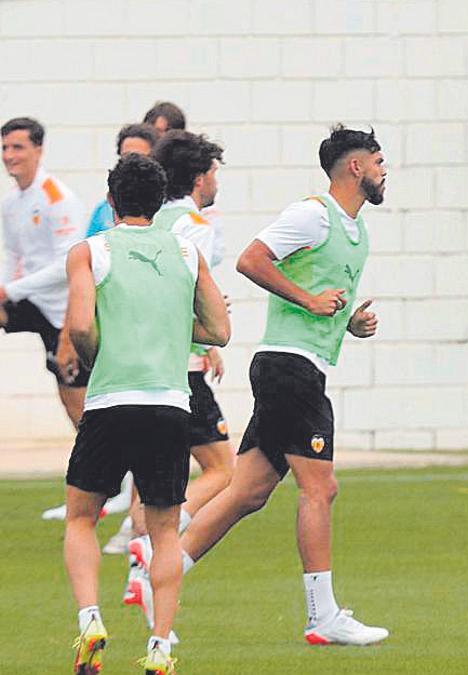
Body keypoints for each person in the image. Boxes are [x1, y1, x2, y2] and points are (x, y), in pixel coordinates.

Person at [140, 125, 387, 646]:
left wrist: (348, 323)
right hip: (289, 368)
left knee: (246, 493)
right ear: (356, 166)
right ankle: (322, 616)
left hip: (297, 368)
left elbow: (322, 299)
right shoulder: (313, 214)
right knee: (320, 488)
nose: (385, 172)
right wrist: (308, 300)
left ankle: (156, 577)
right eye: (379, 161)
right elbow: (253, 259)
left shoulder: (356, 230)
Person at [62, 152, 229, 675]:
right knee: (163, 533)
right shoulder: (186, 251)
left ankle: (90, 620)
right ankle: (160, 647)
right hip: (169, 405)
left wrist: (98, 355)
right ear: (159, 202)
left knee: (81, 517)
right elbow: (219, 330)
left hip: (111, 401)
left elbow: (80, 326)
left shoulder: (89, 251)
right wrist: (173, 325)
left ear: (112, 200)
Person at [123, 131, 234, 630]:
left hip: (143, 366)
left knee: (151, 476)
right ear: (199, 177)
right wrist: (208, 336)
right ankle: (154, 545)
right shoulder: (194, 227)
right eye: (213, 172)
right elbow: (183, 290)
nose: (216, 182)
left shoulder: (151, 222)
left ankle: (140, 562)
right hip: (180, 370)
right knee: (223, 470)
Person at [0, 117, 92, 518]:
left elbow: (65, 266)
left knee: (76, 402)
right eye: (5, 148)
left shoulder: (57, 197)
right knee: (70, 400)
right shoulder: (10, 202)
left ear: (38, 150)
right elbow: (12, 254)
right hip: (32, 302)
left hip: (63, 312)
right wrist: (6, 288)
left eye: (17, 147)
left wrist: (10, 291)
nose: (9, 156)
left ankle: (114, 482)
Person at [86, 123, 161, 238]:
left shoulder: (167, 209)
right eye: (126, 156)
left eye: (141, 157)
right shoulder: (103, 210)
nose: (132, 163)